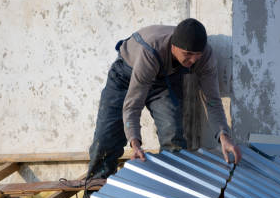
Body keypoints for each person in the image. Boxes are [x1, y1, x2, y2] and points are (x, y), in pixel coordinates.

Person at [86, 18, 242, 184]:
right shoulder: (151, 51)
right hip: (125, 77)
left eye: (197, 56)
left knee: (173, 137)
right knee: (105, 139)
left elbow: (212, 101)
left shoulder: (205, 56)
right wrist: (135, 144)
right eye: (187, 55)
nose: (192, 61)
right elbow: (133, 105)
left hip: (163, 80)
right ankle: (96, 193)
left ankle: (171, 189)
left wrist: (224, 136)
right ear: (173, 47)